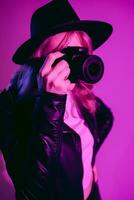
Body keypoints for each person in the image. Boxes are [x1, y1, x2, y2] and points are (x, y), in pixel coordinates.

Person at [0, 0, 114, 199]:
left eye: (81, 53)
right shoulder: (9, 109)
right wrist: (51, 101)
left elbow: (105, 118)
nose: (78, 62)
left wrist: (90, 162)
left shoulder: (80, 93)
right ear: (39, 60)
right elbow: (30, 193)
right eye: (68, 54)